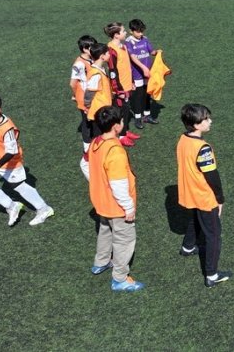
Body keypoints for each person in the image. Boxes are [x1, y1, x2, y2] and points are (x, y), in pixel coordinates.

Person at [0, 91, 54, 226]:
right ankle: (12, 206)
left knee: (19, 186)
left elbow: (12, 151)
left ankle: (44, 209)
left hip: (9, 162)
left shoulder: (7, 129)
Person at [87, 105, 144, 292]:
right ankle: (120, 278)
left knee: (105, 230)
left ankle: (101, 261)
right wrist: (128, 207)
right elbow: (118, 184)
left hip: (101, 201)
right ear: (116, 126)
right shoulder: (115, 151)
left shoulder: (95, 142)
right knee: (124, 240)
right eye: (121, 120)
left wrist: (97, 182)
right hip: (116, 206)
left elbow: (84, 164)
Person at [176, 103, 232, 287]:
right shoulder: (203, 148)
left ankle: (188, 247)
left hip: (190, 192)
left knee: (195, 219)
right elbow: (212, 176)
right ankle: (212, 275)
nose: (210, 121)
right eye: (206, 119)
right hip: (204, 196)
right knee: (214, 235)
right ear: (196, 124)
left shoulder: (183, 139)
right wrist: (220, 198)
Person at [105, 23, 140, 146]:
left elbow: (127, 66)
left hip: (127, 85)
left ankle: (125, 131)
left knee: (125, 110)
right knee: (119, 112)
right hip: (120, 89)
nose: (126, 33)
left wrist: (131, 81)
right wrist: (118, 90)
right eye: (123, 31)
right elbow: (112, 72)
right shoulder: (111, 50)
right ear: (116, 35)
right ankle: (121, 136)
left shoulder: (123, 46)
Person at [71, 35, 97, 179]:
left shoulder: (90, 59)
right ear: (85, 49)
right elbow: (72, 83)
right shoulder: (79, 64)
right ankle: (87, 148)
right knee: (86, 123)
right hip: (84, 98)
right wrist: (76, 95)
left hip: (92, 96)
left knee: (93, 120)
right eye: (92, 46)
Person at [125, 19, 158, 130]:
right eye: (138, 32)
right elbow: (133, 57)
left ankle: (147, 115)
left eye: (142, 31)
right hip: (137, 73)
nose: (141, 34)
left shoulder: (145, 39)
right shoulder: (129, 42)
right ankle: (138, 117)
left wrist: (157, 52)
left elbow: (151, 51)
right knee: (138, 95)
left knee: (147, 93)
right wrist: (143, 68)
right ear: (131, 31)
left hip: (147, 72)